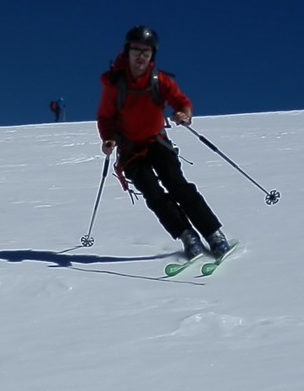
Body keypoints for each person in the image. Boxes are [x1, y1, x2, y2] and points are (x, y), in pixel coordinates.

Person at [96, 26, 230, 259]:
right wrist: (108, 139)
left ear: (152, 56)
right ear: (127, 52)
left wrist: (183, 114)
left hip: (158, 143)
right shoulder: (115, 85)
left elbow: (181, 101)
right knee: (154, 195)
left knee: (178, 186)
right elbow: (105, 117)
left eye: (145, 52)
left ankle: (213, 234)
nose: (140, 56)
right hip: (130, 150)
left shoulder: (160, 81)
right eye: (136, 50)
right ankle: (187, 235)